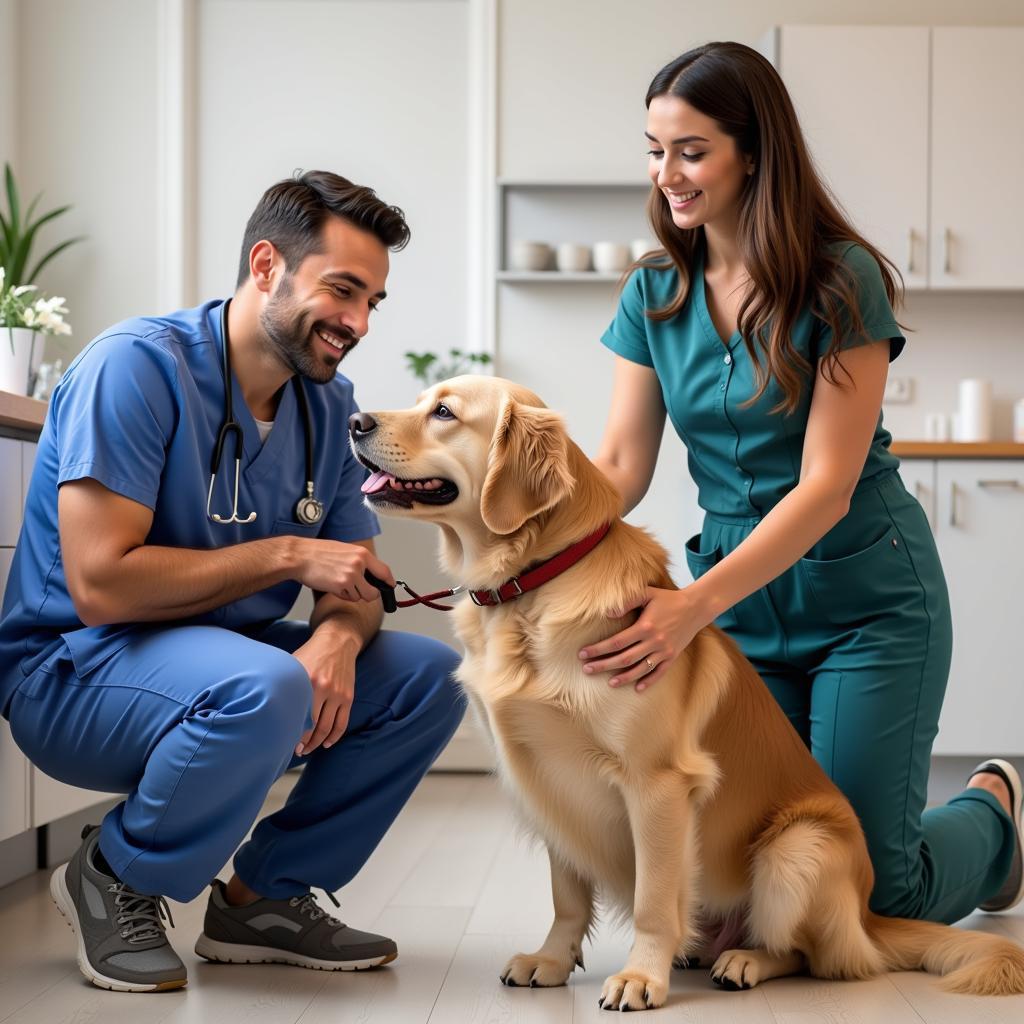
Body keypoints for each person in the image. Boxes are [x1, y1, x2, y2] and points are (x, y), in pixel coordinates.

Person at [579, 43, 1022, 927]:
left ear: (753, 152)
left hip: (867, 606)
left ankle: (994, 814)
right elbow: (621, 468)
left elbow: (824, 486)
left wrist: (690, 606)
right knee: (733, 888)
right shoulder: (655, 291)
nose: (667, 174)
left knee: (877, 897)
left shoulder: (838, 279)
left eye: (691, 150)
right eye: (654, 150)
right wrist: (506, 519)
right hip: (742, 614)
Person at [0, 170, 465, 993]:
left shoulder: (328, 405)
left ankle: (263, 897)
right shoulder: (134, 369)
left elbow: (352, 582)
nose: (356, 323)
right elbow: (101, 585)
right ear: (265, 266)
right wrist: (287, 555)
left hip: (234, 668)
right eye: (342, 291)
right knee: (267, 683)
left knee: (429, 677)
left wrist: (334, 638)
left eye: (372, 303)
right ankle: (114, 874)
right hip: (75, 672)